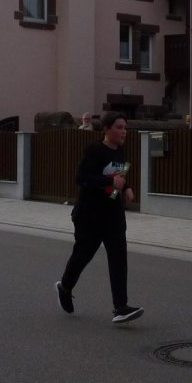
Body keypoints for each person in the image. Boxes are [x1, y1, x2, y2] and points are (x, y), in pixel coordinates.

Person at [56, 111, 143, 324]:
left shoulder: (121, 152)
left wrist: (127, 187)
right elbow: (81, 178)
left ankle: (120, 307)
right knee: (82, 256)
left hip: (113, 215)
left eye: (125, 128)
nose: (124, 131)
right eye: (119, 127)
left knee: (119, 259)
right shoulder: (94, 150)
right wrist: (109, 183)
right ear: (106, 129)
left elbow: (119, 175)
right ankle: (65, 287)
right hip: (89, 215)